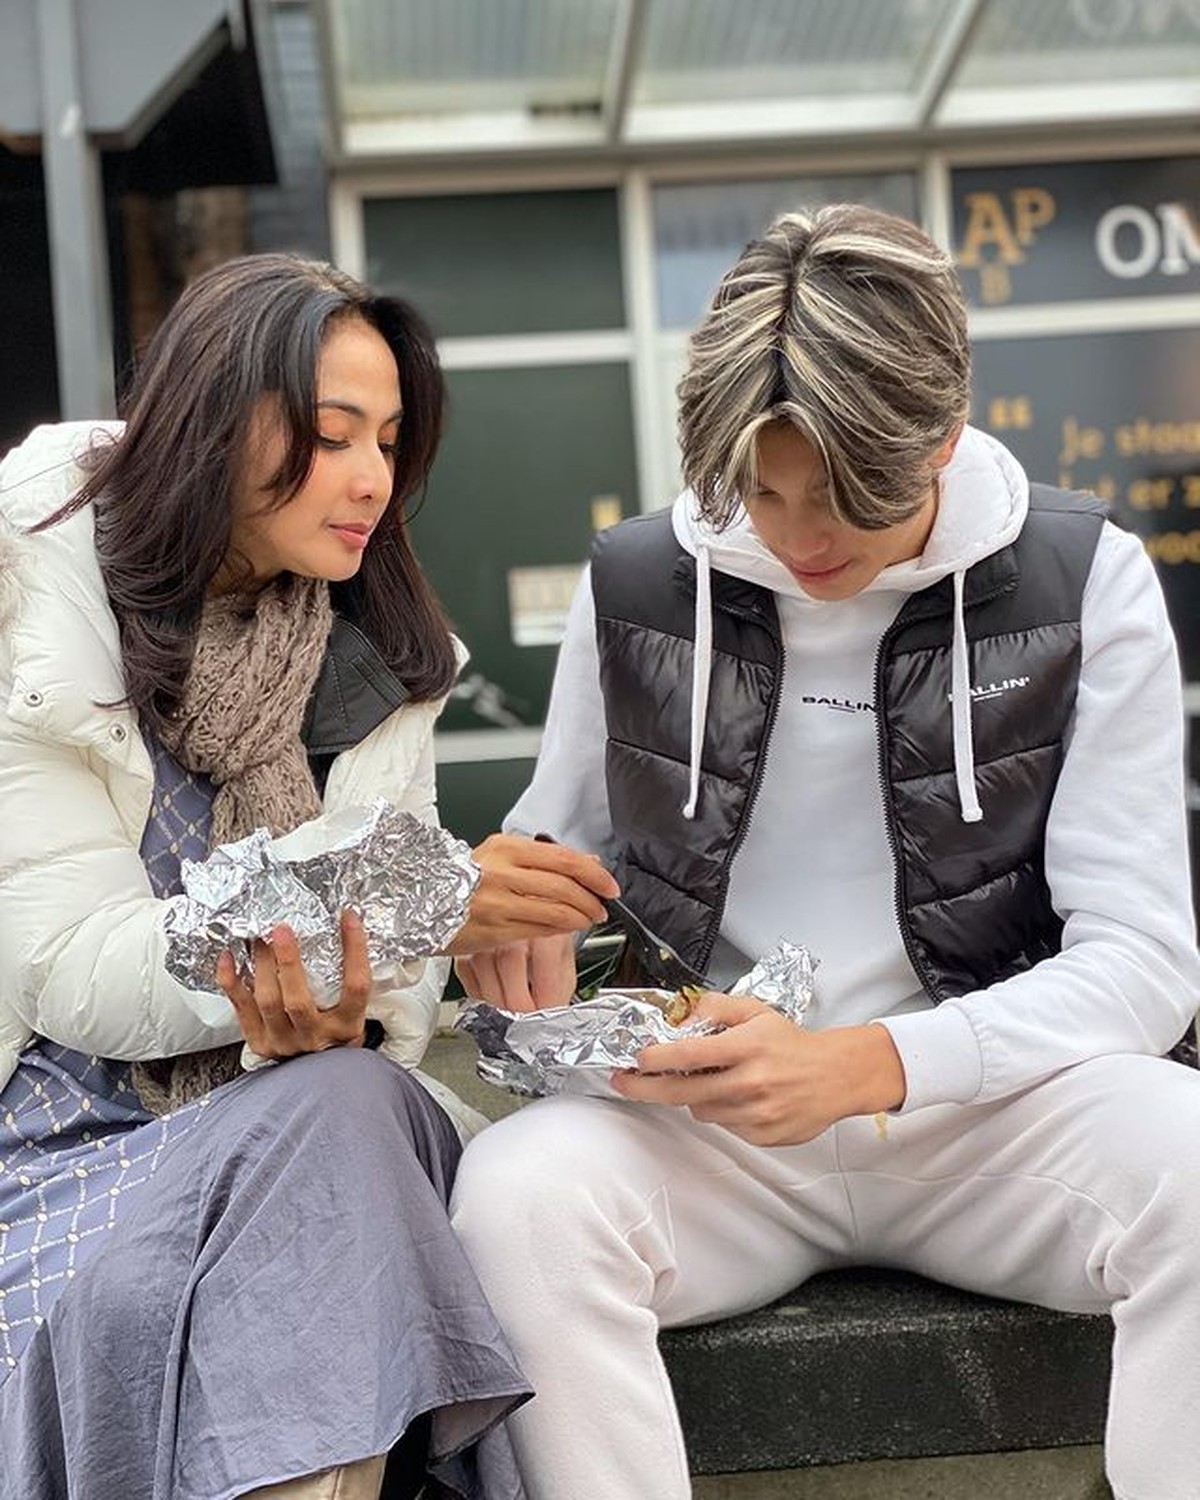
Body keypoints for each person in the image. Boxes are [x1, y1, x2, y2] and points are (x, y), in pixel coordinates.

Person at [449, 203, 1200, 1500]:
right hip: (715, 1131)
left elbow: (1143, 963)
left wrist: (870, 1063)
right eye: (766, 491)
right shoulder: (636, 580)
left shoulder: (1085, 577)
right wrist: (509, 931)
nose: (801, 538)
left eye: (850, 496)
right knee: (514, 1200)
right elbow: (555, 862)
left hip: (988, 1112)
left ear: (943, 436)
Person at [0, 251, 620, 1500]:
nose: (372, 478)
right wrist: (399, 899)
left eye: (389, 441)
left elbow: (391, 1016)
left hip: (300, 1120)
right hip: (65, 1138)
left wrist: (343, 1004)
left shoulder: (380, 652)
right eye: (333, 436)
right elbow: (69, 968)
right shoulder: (40, 592)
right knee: (326, 1154)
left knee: (345, 1103)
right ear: (209, 424)